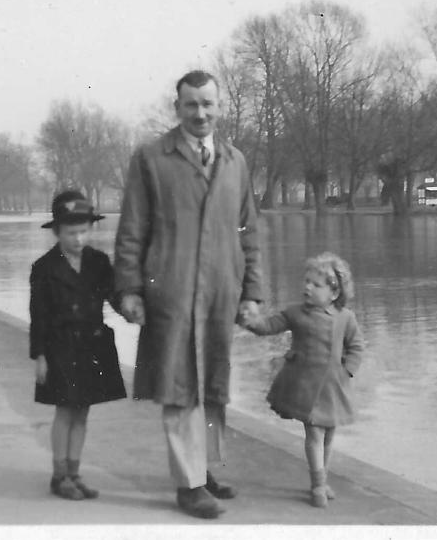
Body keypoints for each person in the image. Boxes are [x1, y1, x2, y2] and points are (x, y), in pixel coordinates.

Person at [113, 70, 264, 519]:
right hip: (172, 290)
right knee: (179, 386)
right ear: (176, 107)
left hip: (221, 289)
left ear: (220, 107)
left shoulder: (235, 161)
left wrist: (252, 291)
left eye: (208, 104)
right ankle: (188, 484)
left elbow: (249, 231)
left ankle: (204, 469)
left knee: (213, 382)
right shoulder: (151, 158)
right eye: (191, 104)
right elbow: (132, 229)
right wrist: (130, 289)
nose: (200, 113)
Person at [239, 252, 365, 508]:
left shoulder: (345, 318)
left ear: (334, 292)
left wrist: (347, 371)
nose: (307, 287)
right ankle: (317, 485)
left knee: (329, 436)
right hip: (305, 387)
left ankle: (323, 478)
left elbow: (357, 347)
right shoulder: (295, 313)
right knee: (315, 435)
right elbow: (267, 326)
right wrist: (248, 321)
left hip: (334, 387)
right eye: (306, 281)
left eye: (316, 284)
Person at [30, 190, 127, 501]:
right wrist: (40, 356)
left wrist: (133, 308)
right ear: (57, 232)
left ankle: (74, 472)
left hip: (92, 348)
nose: (78, 239)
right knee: (65, 411)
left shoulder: (99, 262)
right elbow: (39, 316)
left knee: (83, 411)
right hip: (59, 349)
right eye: (71, 233)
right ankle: (59, 477)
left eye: (84, 231)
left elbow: (115, 296)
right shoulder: (44, 268)